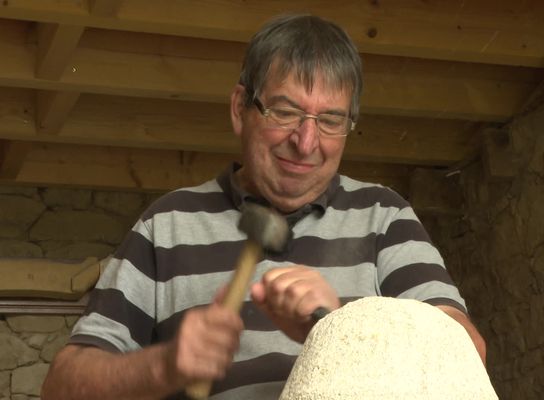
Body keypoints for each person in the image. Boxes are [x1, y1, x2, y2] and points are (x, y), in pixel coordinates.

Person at [41, 13, 486, 400]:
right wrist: (163, 365)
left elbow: (466, 353)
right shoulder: (167, 225)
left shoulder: (385, 217)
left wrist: (334, 329)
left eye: (330, 120)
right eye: (285, 111)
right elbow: (61, 388)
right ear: (240, 108)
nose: (306, 142)